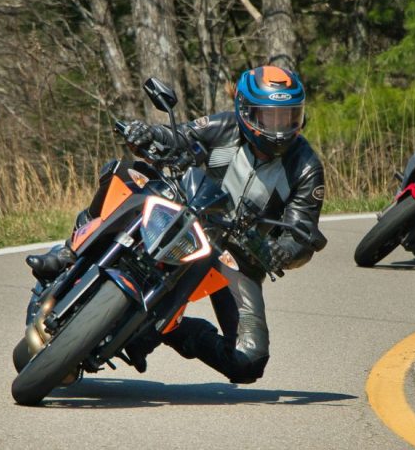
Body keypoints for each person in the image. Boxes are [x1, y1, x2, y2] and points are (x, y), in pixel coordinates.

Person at [33, 65, 325, 384]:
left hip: (238, 256)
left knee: (248, 364)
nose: (280, 127)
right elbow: (180, 136)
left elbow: (303, 232)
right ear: (246, 110)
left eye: (288, 116)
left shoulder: (306, 166)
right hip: (186, 213)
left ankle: (171, 330)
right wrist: (146, 133)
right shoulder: (224, 126)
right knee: (125, 173)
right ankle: (70, 252)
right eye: (271, 117)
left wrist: (284, 251)